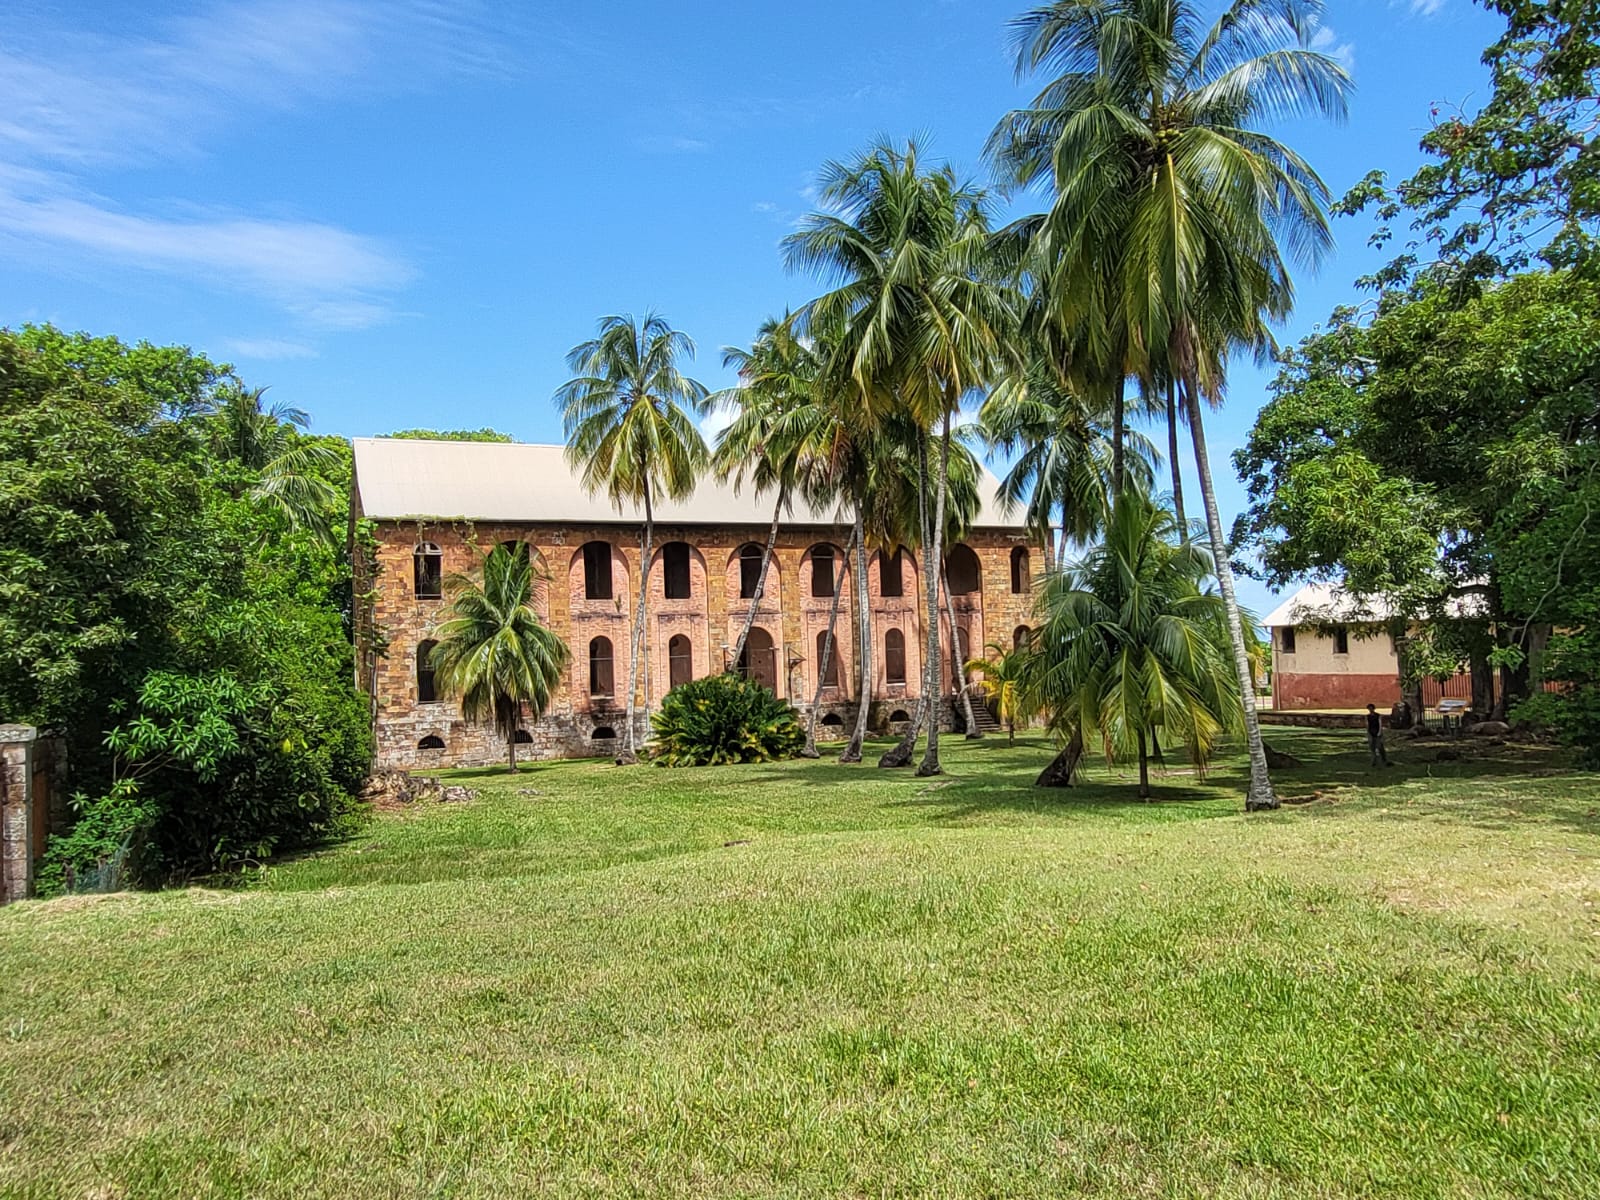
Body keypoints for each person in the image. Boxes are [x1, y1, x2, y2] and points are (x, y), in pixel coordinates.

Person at [1365, 703, 1390, 767]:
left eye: (1371, 708)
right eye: (1369, 708)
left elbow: (1380, 724)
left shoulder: (1378, 715)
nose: (1370, 710)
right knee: (1372, 748)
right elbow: (1367, 725)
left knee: (1380, 747)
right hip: (1371, 732)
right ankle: (1374, 761)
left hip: (1377, 732)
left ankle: (1384, 760)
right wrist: (1368, 733)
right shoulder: (1367, 716)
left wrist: (1379, 732)